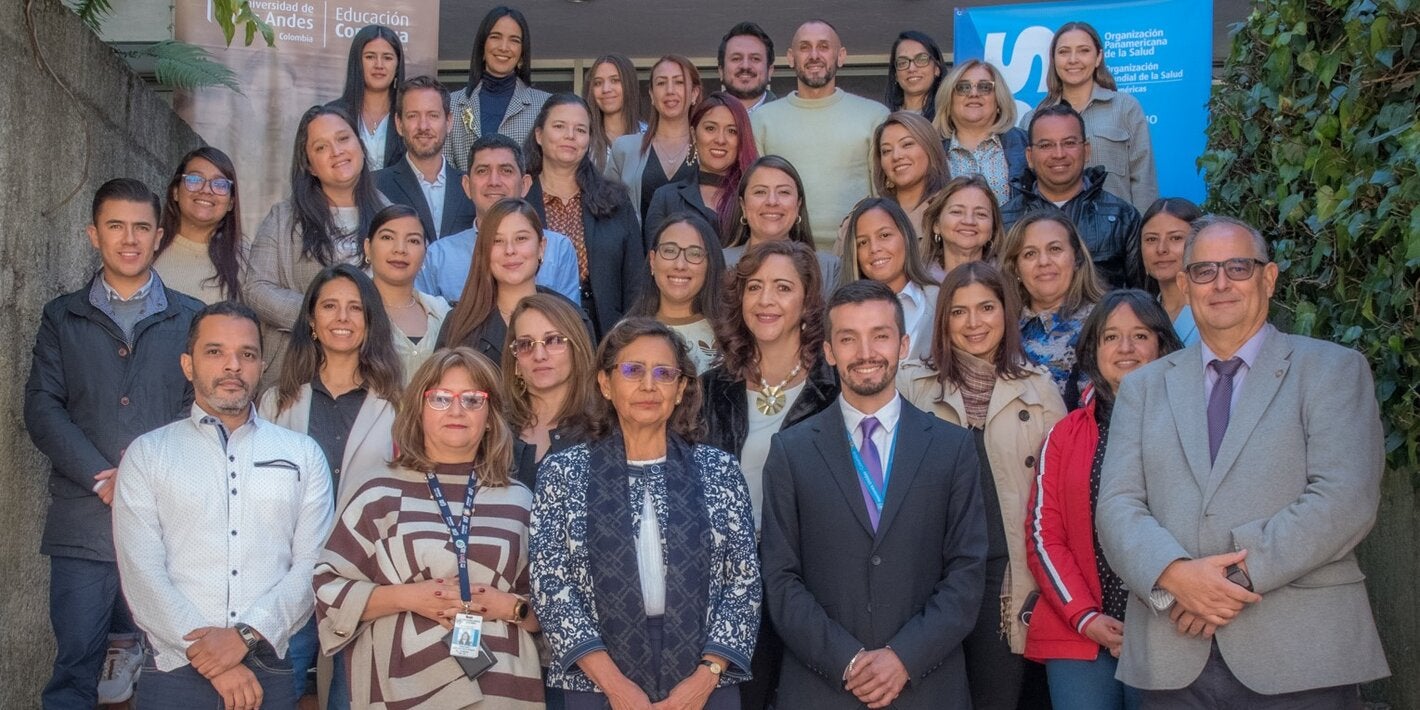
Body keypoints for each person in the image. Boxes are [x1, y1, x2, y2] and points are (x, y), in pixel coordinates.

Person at [1098, 215, 1390, 707]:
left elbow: (1344, 500)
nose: (1221, 283)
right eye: (1205, 271)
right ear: (1185, 285)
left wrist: (1223, 586)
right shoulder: (1145, 386)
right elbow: (1118, 506)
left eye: (1238, 266)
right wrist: (1174, 574)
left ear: (1268, 278)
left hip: (1301, 653)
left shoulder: (1332, 370)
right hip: (1173, 659)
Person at [760, 279, 986, 708]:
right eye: (848, 338)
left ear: (902, 345)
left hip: (926, 685)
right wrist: (846, 660)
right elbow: (779, 577)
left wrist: (904, 658)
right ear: (829, 351)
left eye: (879, 335)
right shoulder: (791, 452)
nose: (865, 353)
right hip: (823, 687)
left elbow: (966, 573)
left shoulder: (952, 447)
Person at [25, 178, 203, 708]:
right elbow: (42, 407)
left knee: (170, 667)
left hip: (170, 522)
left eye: (142, 227)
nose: (129, 239)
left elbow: (198, 408)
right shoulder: (63, 316)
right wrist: (103, 475)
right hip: (84, 518)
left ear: (159, 236)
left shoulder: (191, 317)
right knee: (75, 665)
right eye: (116, 226)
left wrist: (141, 474)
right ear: (93, 234)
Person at [114, 301, 336, 709]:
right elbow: (141, 571)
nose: (232, 366)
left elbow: (312, 565)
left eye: (246, 354)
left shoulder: (303, 454)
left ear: (261, 365)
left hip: (269, 662)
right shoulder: (148, 454)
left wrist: (244, 638)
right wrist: (215, 658)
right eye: (215, 352)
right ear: (188, 364)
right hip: (173, 665)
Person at [530, 318, 761, 708]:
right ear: (606, 384)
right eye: (632, 370)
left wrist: (705, 679)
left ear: (681, 388)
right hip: (596, 680)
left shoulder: (719, 470)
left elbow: (743, 582)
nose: (648, 385)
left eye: (664, 373)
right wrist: (616, 686)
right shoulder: (563, 472)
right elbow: (551, 585)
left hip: (706, 681)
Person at [313, 348, 545, 707]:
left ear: (489, 416)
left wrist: (511, 607)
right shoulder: (377, 491)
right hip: (403, 691)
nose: (456, 410)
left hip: (505, 686)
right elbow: (327, 589)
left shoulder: (519, 500)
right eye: (440, 398)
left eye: (472, 399)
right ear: (418, 410)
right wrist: (408, 597)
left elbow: (553, 607)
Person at [898, 261, 1066, 710]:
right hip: (929, 575)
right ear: (943, 320)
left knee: (997, 698)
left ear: (1006, 313)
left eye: (986, 308)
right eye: (959, 311)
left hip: (1003, 576)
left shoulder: (1040, 391)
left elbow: (1062, 499)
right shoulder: (912, 385)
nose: (974, 323)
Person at [1025, 289, 1183, 710]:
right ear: (1094, 351)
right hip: (1082, 630)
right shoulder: (1066, 433)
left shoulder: (1191, 427)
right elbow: (1044, 535)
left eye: (1140, 335)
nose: (1126, 348)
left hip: (1172, 628)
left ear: (1163, 345)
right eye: (1111, 337)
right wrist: (1085, 616)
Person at [701, 240, 838, 710]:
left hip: (811, 580)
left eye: (783, 287)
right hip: (726, 583)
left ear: (807, 301)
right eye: (754, 287)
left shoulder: (835, 391)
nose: (766, 300)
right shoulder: (709, 388)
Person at [257, 263, 402, 707]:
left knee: (349, 700)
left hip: (364, 583)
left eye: (355, 308)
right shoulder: (276, 401)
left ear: (370, 322)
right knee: (276, 695)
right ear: (312, 322)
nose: (342, 317)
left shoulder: (400, 406)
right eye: (330, 306)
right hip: (289, 578)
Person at [246, 105, 387, 386]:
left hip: (374, 371)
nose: (337, 151)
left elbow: (405, 292)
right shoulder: (284, 218)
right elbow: (256, 289)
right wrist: (322, 315)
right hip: (295, 370)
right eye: (321, 147)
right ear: (309, 165)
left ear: (360, 145)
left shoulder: (392, 216)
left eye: (343, 139)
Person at [752, 20, 890, 250]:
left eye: (824, 46)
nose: (814, 55)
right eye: (804, 47)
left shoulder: (874, 115)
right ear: (790, 58)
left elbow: (883, 198)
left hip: (855, 254)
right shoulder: (762, 119)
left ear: (841, 56)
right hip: (783, 253)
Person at [525, 93, 646, 337]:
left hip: (605, 329)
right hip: (537, 326)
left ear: (589, 140)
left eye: (580, 130)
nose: (570, 136)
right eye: (559, 127)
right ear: (539, 135)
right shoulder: (520, 199)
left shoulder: (614, 201)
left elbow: (636, 281)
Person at [415, 133, 582, 305]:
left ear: (525, 185)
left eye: (506, 171)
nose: (494, 181)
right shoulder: (438, 257)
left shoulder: (558, 249)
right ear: (467, 186)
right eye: (482, 171)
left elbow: (569, 324)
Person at [1001, 104, 1142, 290]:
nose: (1059, 154)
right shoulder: (1006, 220)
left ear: (1087, 150)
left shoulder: (1122, 217)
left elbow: (1142, 298)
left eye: (1069, 143)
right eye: (1046, 145)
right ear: (1029, 156)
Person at [438, 197, 590, 363]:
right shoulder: (458, 324)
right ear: (483, 250)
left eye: (521, 239)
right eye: (497, 241)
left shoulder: (571, 318)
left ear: (541, 247)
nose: (510, 250)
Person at [1030, 21, 1158, 213]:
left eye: (1083, 51)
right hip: (1054, 236)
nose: (1073, 59)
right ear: (1054, 60)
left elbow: (1143, 181)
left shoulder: (1126, 108)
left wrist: (1142, 234)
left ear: (1098, 57)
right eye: (1064, 52)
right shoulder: (1035, 118)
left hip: (1117, 236)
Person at [997, 210, 1105, 406]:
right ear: (1016, 268)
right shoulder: (998, 326)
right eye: (1030, 254)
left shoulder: (1104, 322)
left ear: (1077, 259)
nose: (1044, 262)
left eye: (1055, 249)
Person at [501, 293, 598, 492]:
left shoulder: (602, 429)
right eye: (525, 344)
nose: (539, 355)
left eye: (553, 341)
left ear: (576, 348)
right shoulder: (496, 427)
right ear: (516, 360)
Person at [447, 6, 552, 172]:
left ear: (522, 52)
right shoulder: (452, 103)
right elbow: (445, 170)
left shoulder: (544, 105)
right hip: (464, 198)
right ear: (482, 46)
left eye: (514, 40)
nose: (504, 47)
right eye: (495, 37)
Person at [645, 91, 758, 244]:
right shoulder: (666, 198)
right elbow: (655, 262)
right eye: (710, 129)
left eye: (732, 131)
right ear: (693, 133)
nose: (720, 140)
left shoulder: (756, 197)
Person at [373, 75, 476, 241]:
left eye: (433, 115)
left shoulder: (472, 186)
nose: (423, 126)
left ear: (448, 122)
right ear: (399, 124)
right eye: (413, 115)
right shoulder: (374, 185)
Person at [722, 156, 841, 297]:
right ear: (743, 206)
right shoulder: (718, 262)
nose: (772, 201)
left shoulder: (828, 269)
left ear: (798, 205)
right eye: (760, 192)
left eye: (784, 192)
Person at [839, 198, 940, 362]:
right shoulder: (842, 313)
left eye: (884, 235)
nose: (874, 248)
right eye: (863, 242)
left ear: (906, 237)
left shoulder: (941, 301)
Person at [628, 213, 727, 374]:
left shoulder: (731, 336)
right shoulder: (626, 334)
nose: (680, 264)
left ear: (711, 265)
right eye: (669, 251)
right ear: (653, 261)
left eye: (694, 253)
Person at [610, 54, 703, 220]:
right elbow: (607, 209)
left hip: (699, 245)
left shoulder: (708, 148)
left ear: (694, 93)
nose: (670, 91)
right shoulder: (625, 148)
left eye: (679, 82)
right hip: (639, 245)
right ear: (652, 95)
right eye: (661, 83)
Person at [363, 205, 451, 380]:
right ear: (367, 247)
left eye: (413, 241)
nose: (400, 249)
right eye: (387, 237)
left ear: (425, 252)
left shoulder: (442, 312)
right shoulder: (352, 311)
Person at [155, 146, 246, 304]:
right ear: (175, 191)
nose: (206, 190)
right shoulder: (145, 248)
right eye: (195, 180)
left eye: (220, 184)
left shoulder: (247, 259)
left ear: (231, 202)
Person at [933, 59, 1028, 206]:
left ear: (998, 100)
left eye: (984, 87)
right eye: (963, 87)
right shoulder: (930, 152)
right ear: (949, 101)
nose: (974, 93)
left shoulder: (1024, 144)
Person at [851, 111, 948, 253]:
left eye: (907, 144)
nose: (896, 156)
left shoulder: (954, 211)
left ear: (930, 149)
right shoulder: (864, 215)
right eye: (886, 151)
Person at [327, 25, 405, 171]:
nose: (379, 65)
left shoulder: (409, 115)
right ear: (357, 63)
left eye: (387, 58)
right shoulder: (332, 114)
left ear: (397, 66)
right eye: (370, 57)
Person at [1139, 197, 1203, 345]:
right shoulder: (1138, 315)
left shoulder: (1215, 310)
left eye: (1175, 238)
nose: (1161, 249)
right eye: (1151, 239)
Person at [921, 174, 1004, 280]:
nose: (969, 221)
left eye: (981, 214)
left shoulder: (1011, 284)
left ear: (993, 229)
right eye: (957, 212)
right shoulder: (915, 286)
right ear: (936, 224)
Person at [586, 53, 646, 174]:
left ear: (629, 84)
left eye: (615, 80)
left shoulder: (649, 136)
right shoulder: (583, 138)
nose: (606, 89)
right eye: (598, 83)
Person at [884, 31, 945, 120]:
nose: (911, 69)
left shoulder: (950, 119)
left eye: (921, 59)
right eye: (902, 62)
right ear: (896, 74)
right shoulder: (883, 119)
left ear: (937, 68)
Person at [717, 22, 777, 113]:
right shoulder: (702, 117)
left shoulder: (789, 118)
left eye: (755, 59)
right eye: (736, 59)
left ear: (770, 70)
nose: (745, 66)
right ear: (721, 71)